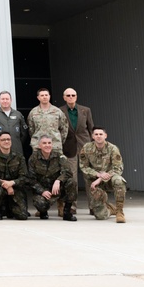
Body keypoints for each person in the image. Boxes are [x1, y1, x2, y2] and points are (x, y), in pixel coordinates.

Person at [58, 87, 94, 216]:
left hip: (85, 146)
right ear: (64, 97)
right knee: (72, 178)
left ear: (76, 96)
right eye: (68, 95)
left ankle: (93, 206)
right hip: (68, 147)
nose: (71, 97)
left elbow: (91, 128)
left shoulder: (85, 110)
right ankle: (72, 206)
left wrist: (92, 144)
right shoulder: (60, 111)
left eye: (73, 95)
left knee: (88, 176)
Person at [79, 127, 127, 223]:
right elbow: (84, 167)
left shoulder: (113, 148)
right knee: (100, 216)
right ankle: (110, 209)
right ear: (92, 136)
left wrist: (102, 178)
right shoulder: (86, 148)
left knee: (119, 180)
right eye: (96, 134)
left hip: (109, 179)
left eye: (101, 134)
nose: (98, 136)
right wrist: (98, 175)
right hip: (94, 182)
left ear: (105, 136)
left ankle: (119, 211)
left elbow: (118, 168)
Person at [26, 136, 76, 221]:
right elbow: (31, 179)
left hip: (57, 188)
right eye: (44, 143)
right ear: (39, 146)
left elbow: (68, 172)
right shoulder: (33, 158)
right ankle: (43, 212)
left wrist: (58, 180)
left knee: (71, 182)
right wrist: (42, 191)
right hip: (43, 190)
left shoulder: (59, 156)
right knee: (40, 204)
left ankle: (67, 212)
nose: (47, 145)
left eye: (49, 143)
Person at [0, 133, 29, 220]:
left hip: (15, 188)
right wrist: (4, 184)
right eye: (3, 140)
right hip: (0, 187)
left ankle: (10, 208)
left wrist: (12, 183)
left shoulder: (19, 157)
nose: (6, 141)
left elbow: (25, 177)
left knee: (22, 216)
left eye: (8, 139)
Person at [27, 87, 69, 156]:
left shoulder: (57, 111)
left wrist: (59, 140)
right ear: (38, 98)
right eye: (42, 95)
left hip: (55, 145)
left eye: (46, 95)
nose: (44, 97)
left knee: (57, 166)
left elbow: (64, 128)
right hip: (38, 146)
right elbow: (31, 129)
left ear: (49, 96)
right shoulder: (33, 112)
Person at [0, 91, 30, 160]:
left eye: (7, 99)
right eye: (3, 99)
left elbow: (24, 132)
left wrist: (16, 141)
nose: (5, 101)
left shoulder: (18, 115)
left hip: (17, 150)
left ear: (11, 100)